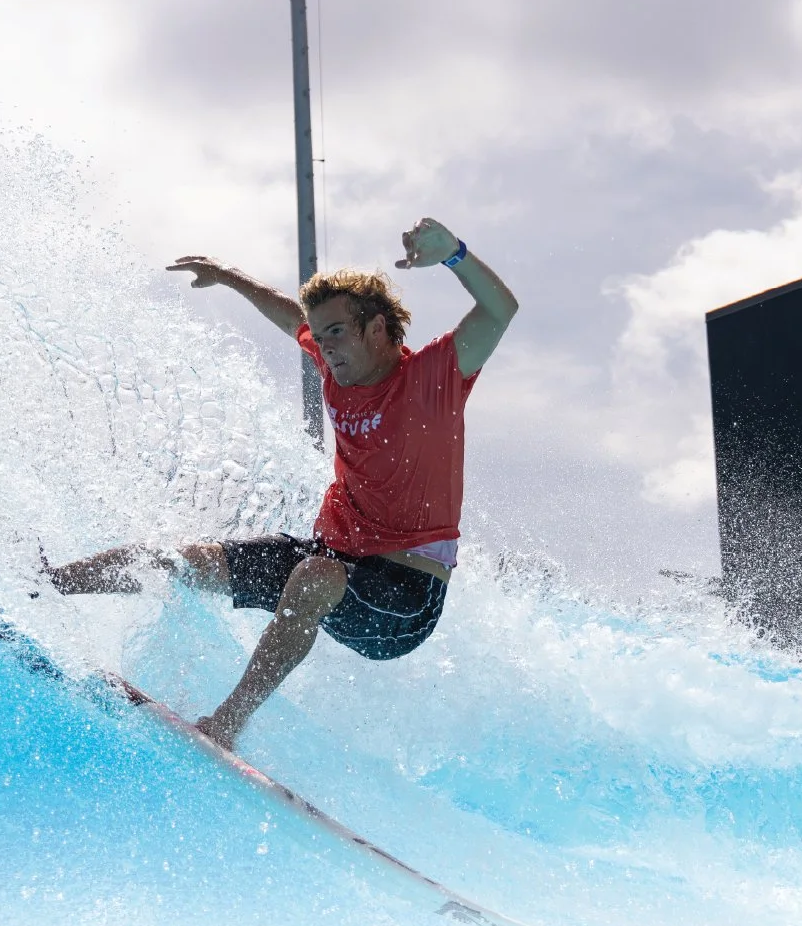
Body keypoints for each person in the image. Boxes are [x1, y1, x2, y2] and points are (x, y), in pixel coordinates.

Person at [39, 216, 517, 749]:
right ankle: (44, 585)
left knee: (313, 575)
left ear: (378, 329)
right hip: (334, 561)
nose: (325, 346)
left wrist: (453, 253)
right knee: (182, 560)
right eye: (321, 335)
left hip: (404, 597)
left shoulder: (432, 378)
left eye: (337, 332)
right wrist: (227, 276)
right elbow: (290, 316)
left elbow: (501, 310)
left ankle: (227, 723)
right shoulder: (335, 366)